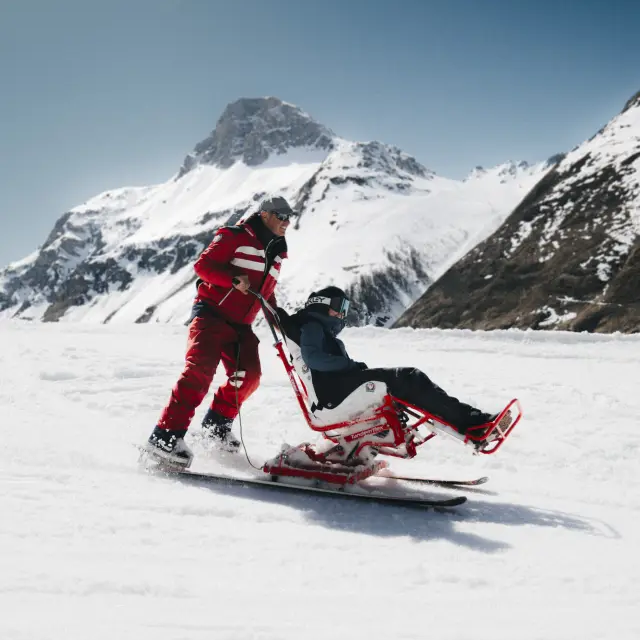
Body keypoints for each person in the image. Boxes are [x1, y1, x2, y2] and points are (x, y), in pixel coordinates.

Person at [146, 195, 294, 465]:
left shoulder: (277, 252)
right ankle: (164, 437)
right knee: (199, 371)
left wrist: (280, 321)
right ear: (265, 215)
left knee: (249, 377)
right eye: (282, 216)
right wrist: (232, 279)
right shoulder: (234, 236)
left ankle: (216, 428)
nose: (287, 221)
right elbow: (202, 267)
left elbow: (265, 293)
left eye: (290, 217)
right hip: (211, 315)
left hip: (242, 325)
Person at [290, 286, 496, 440]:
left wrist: (352, 368)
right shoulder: (312, 325)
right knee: (408, 379)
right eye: (338, 306)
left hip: (338, 391)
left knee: (408, 385)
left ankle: (469, 422)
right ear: (320, 304)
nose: (342, 313)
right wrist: (350, 366)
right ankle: (472, 423)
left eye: (345, 308)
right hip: (335, 397)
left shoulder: (317, 329)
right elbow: (314, 359)